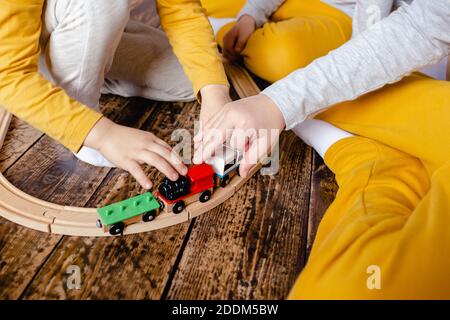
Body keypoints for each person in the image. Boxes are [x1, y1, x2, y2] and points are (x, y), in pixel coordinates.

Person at [194, 0, 450, 298]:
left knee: (357, 285)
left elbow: (426, 26)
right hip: (378, 37)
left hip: (372, 33)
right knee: (351, 287)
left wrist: (279, 103)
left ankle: (362, 151)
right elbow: (429, 24)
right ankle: (366, 153)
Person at [0, 0, 231, 189]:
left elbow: (182, 10)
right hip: (30, 47)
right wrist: (103, 135)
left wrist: (214, 92)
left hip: (89, 19)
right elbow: (8, 75)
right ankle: (74, 104)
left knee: (187, 81)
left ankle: (90, 63)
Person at [201, 0, 353, 83]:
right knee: (204, 2)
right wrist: (251, 14)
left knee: (280, 55)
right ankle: (232, 26)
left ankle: (217, 27)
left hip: (345, 14)